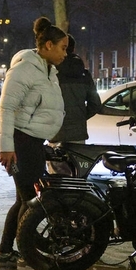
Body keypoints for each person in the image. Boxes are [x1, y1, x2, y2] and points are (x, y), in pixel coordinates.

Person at [0, 17, 68, 268]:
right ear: (48, 45)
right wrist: (6, 147)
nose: (65, 53)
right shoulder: (25, 69)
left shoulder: (48, 70)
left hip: (32, 142)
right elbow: (6, 107)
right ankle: (27, 249)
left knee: (24, 200)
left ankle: (6, 251)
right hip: (21, 143)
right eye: (62, 47)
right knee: (30, 200)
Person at [48, 34, 100, 174]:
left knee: (57, 176)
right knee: (77, 176)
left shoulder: (51, 73)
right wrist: (80, 116)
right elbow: (95, 104)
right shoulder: (84, 74)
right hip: (78, 135)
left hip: (56, 132)